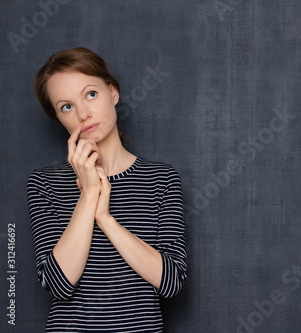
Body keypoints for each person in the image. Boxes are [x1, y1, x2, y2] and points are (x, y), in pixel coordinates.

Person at [26, 47, 187, 332]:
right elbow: (58, 286)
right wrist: (88, 195)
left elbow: (171, 283)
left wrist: (106, 219)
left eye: (90, 94)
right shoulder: (44, 184)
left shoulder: (161, 179)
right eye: (67, 106)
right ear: (58, 118)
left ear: (112, 93)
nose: (83, 114)